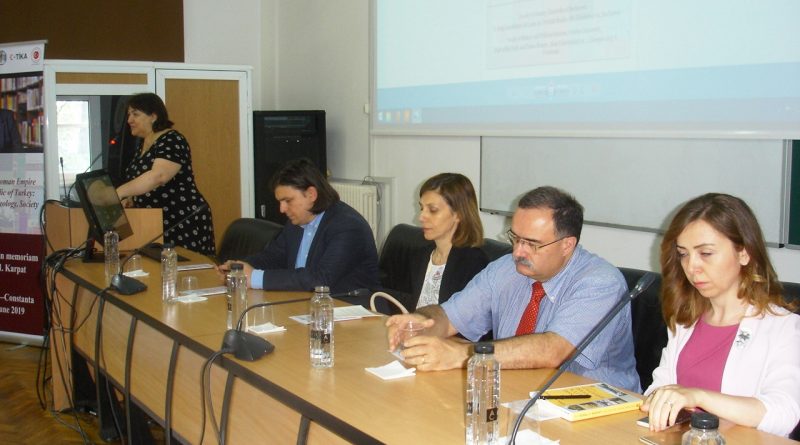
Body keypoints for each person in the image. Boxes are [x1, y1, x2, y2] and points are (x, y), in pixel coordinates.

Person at [386, 186, 640, 392]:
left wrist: (464, 354)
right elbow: (450, 315)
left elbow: (554, 351)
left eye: (531, 243)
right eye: (516, 238)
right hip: (517, 392)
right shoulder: (505, 269)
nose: (518, 252)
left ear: (567, 245)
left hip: (596, 409)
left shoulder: (600, 283)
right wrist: (423, 321)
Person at [641, 193, 800, 437]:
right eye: (683, 254)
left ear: (744, 253)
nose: (691, 267)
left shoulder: (784, 327)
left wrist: (698, 396)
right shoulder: (686, 320)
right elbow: (659, 390)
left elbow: (783, 415)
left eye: (705, 253)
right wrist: (659, 399)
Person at [216, 158, 380, 298]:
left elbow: (321, 279)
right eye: (280, 202)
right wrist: (238, 269)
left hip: (350, 308)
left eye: (288, 201)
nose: (282, 209)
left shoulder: (348, 226)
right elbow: (273, 257)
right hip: (306, 303)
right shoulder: (297, 221)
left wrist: (254, 278)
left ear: (311, 194)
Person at [116, 93, 215, 255]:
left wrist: (119, 192)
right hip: (155, 222)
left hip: (181, 219)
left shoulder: (172, 140)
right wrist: (131, 198)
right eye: (129, 115)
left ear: (153, 116)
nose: (129, 120)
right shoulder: (143, 144)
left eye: (135, 114)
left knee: (184, 267)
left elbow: (159, 176)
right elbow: (142, 180)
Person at [402, 173, 488, 311]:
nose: (421, 217)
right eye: (422, 208)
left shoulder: (473, 263)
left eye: (433, 210)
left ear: (459, 214)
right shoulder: (420, 256)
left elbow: (467, 319)